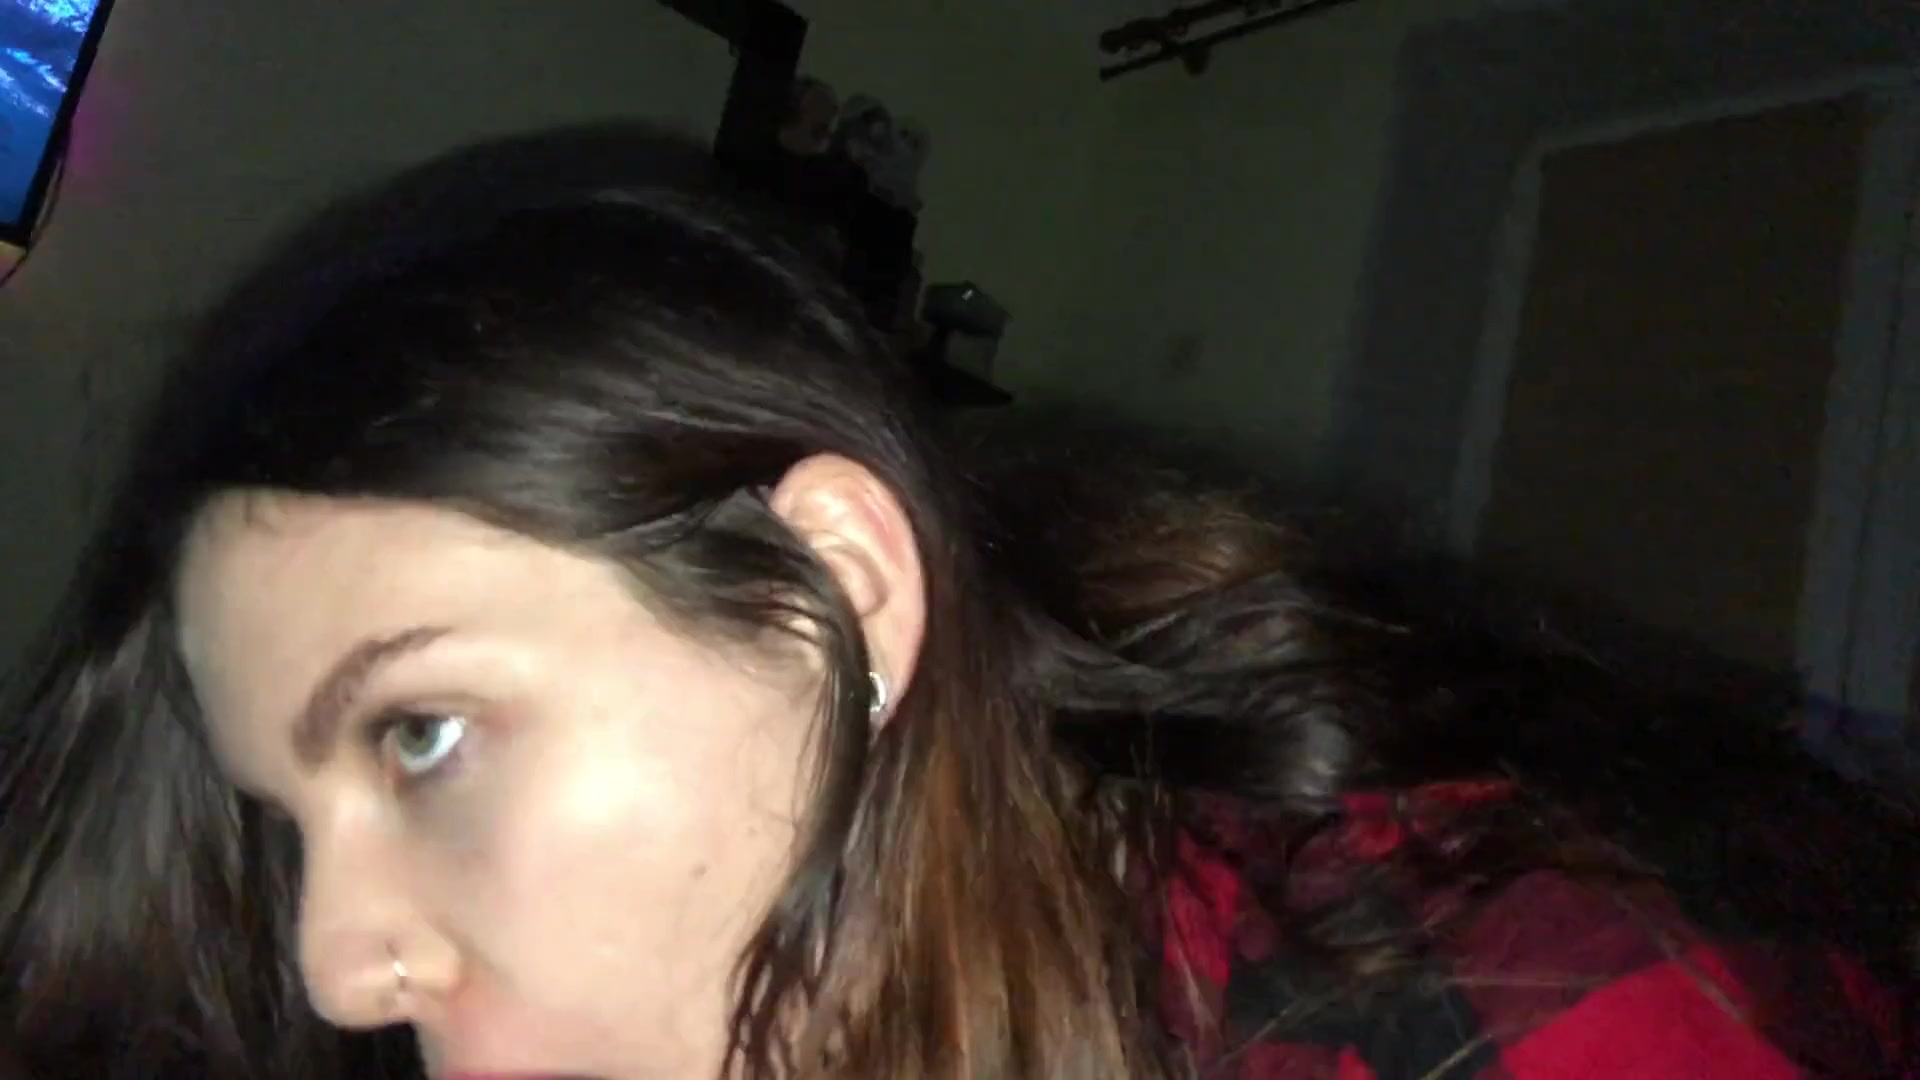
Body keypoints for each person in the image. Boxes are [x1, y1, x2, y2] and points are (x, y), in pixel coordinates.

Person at [0, 131, 1912, 1080]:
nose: (339, 966)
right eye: (285, 821)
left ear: (834, 597)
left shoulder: (1526, 1006)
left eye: (423, 734)